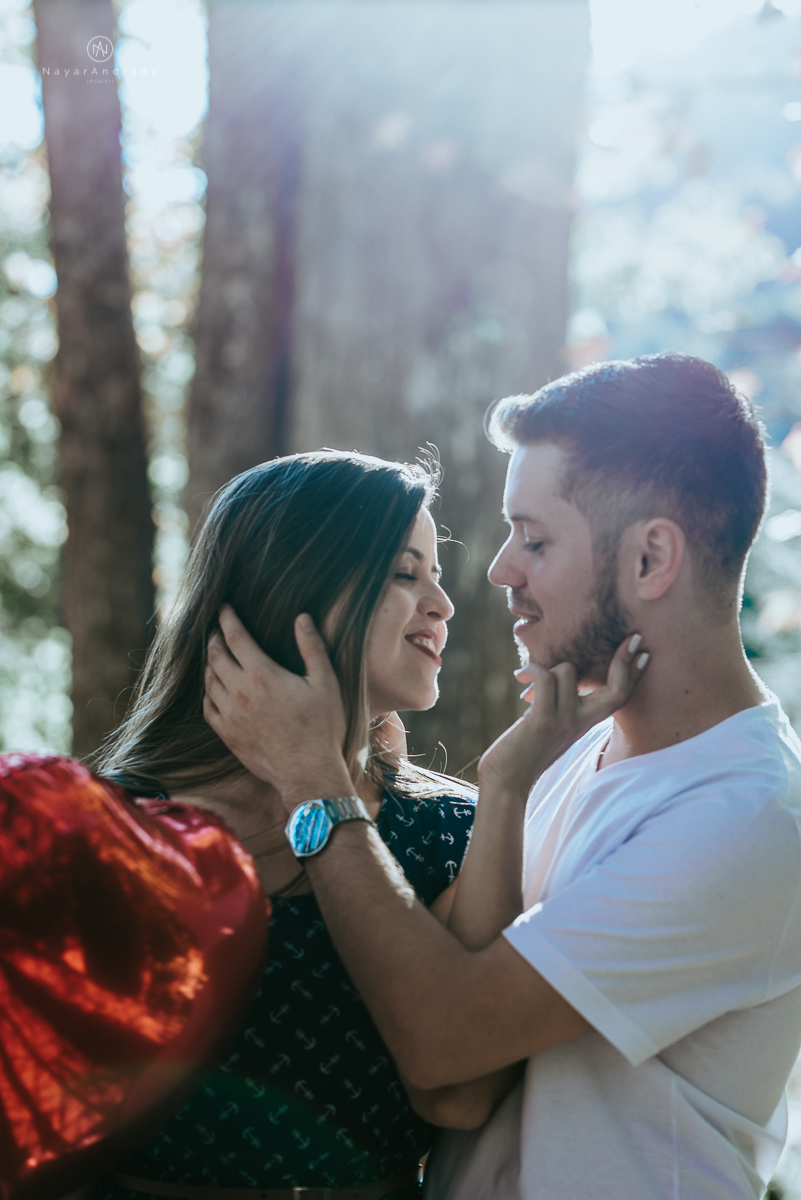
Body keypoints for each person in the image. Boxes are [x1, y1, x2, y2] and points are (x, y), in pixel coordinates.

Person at [202, 353, 801, 1200]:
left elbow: (444, 1045)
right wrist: (507, 785)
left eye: (535, 539)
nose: (498, 571)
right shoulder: (576, 752)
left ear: (649, 559)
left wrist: (311, 779)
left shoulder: (743, 819)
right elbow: (453, 1093)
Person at [92, 449, 477, 1200]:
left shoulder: (454, 833)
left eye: (436, 574)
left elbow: (460, 1086)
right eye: (405, 573)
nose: (442, 604)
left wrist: (316, 781)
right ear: (297, 584)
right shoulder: (105, 828)